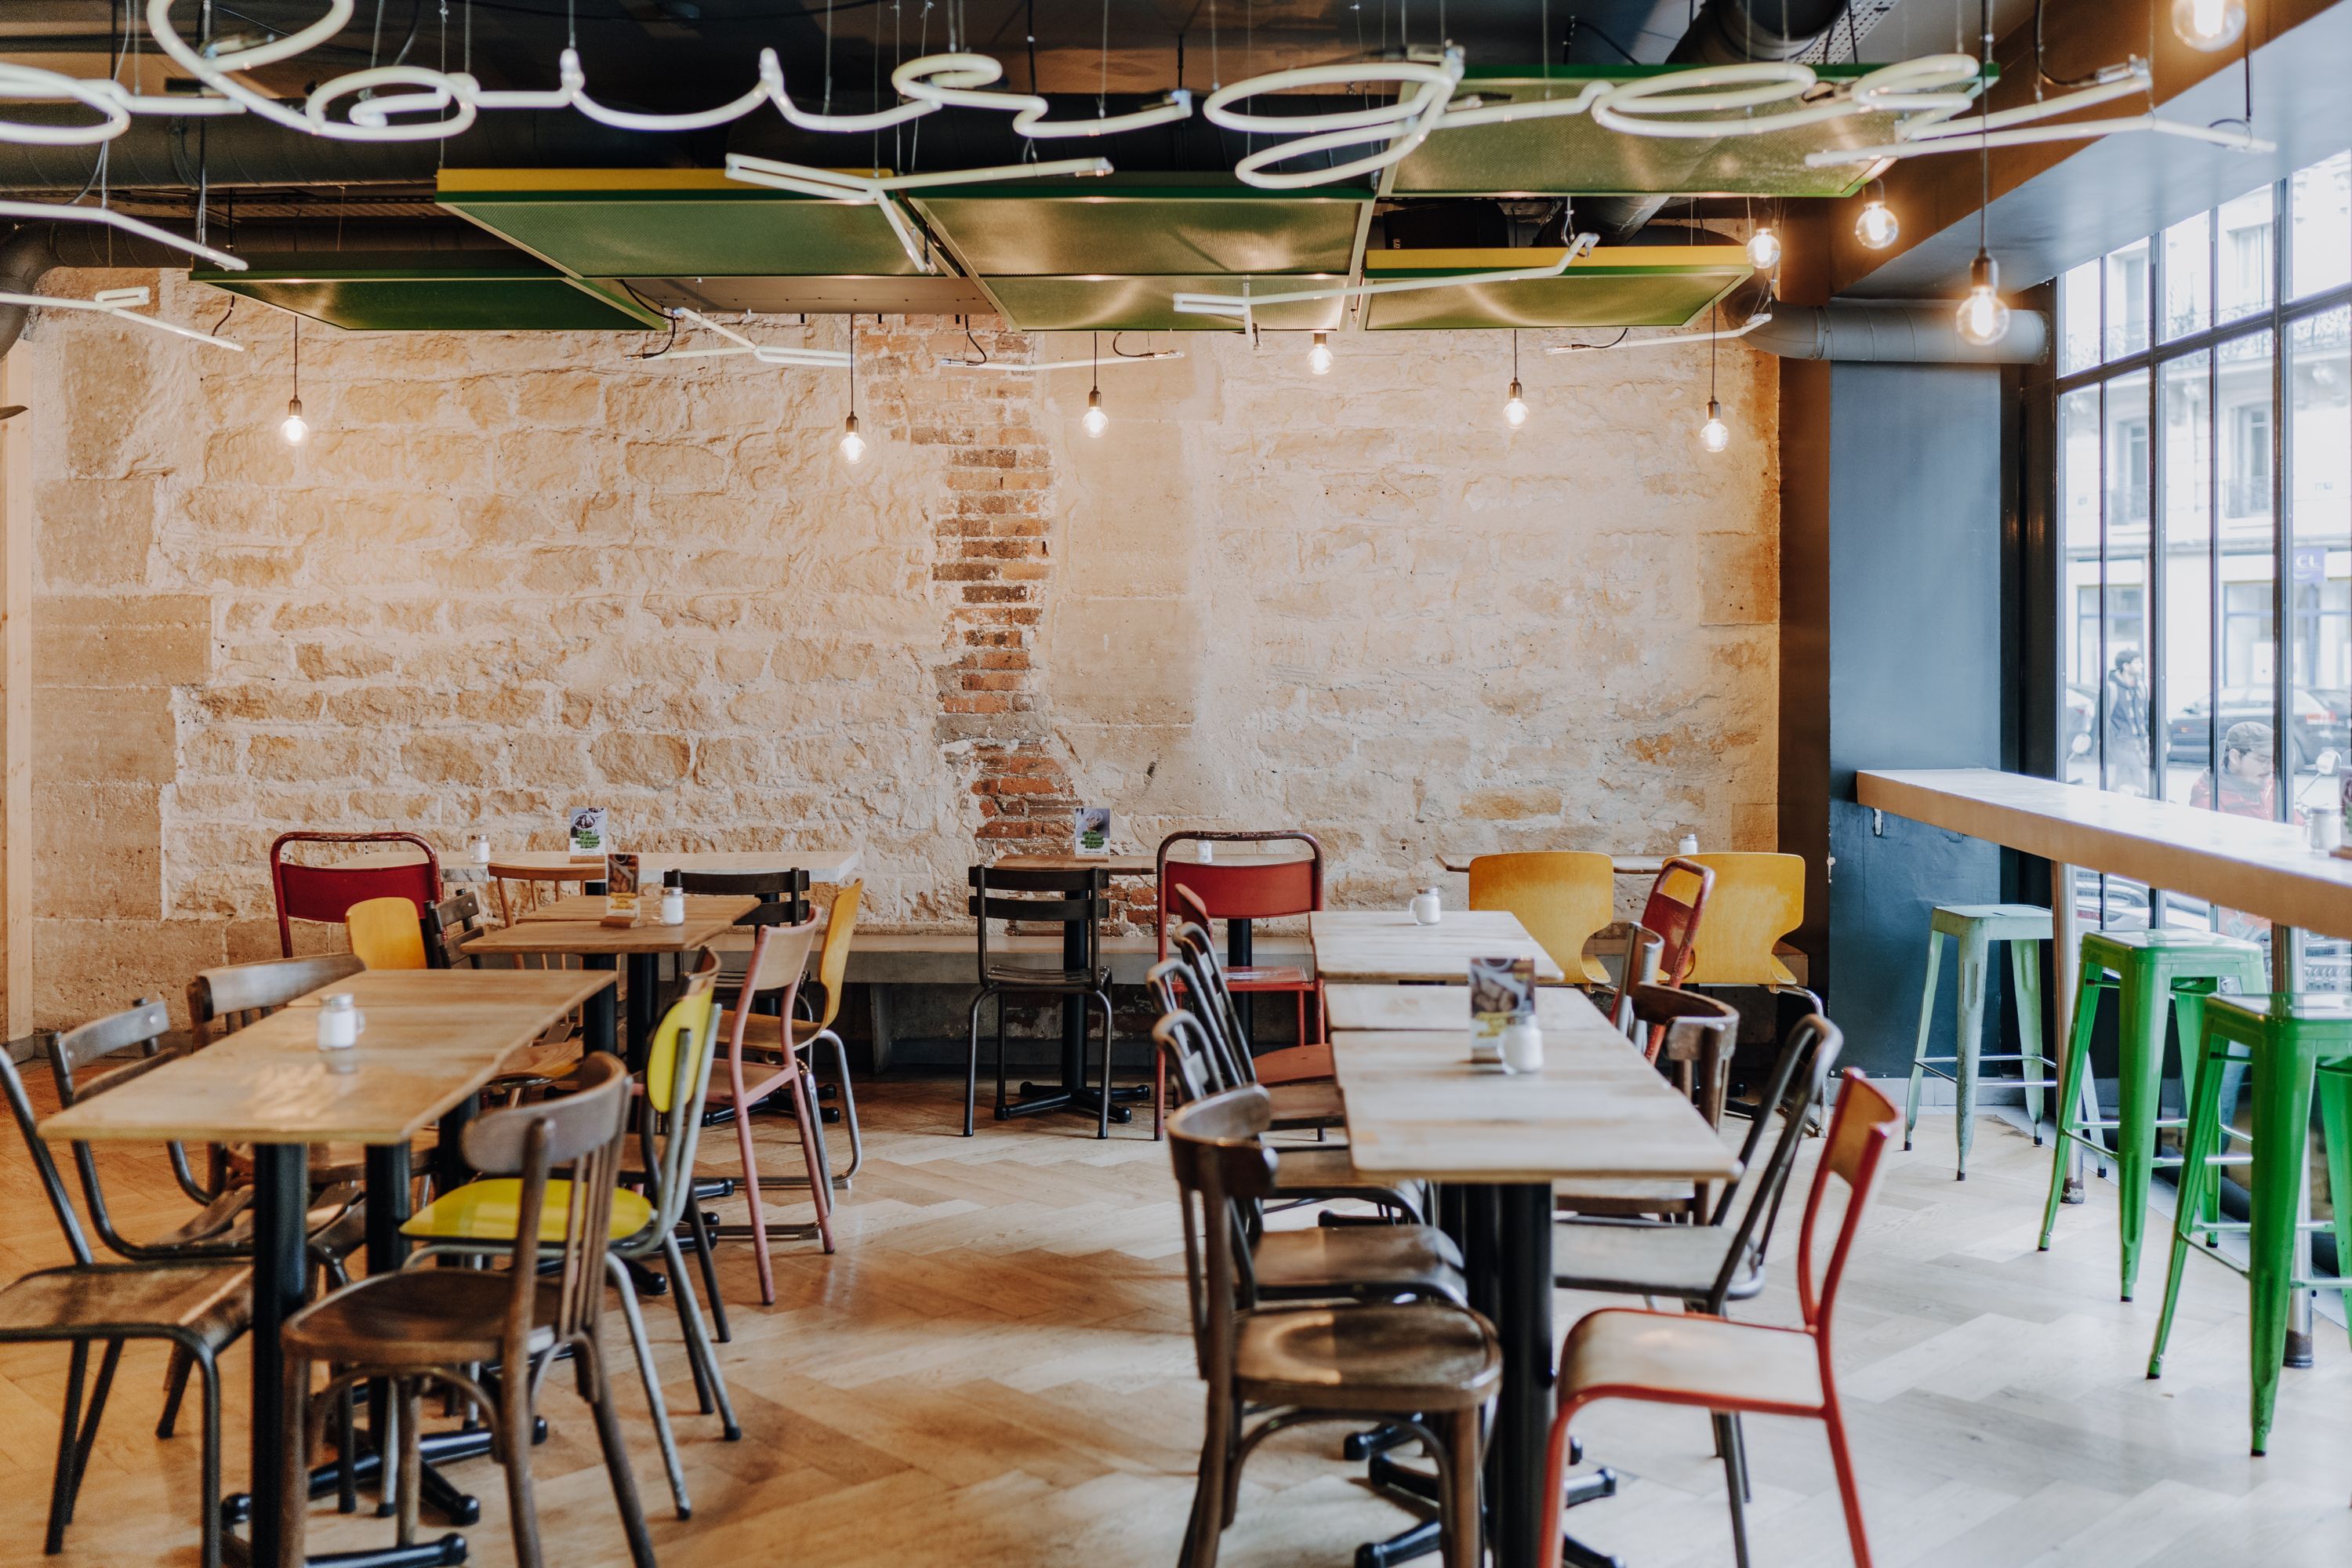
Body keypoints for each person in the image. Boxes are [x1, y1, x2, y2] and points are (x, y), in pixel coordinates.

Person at [2103, 648, 2151, 795]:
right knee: (2138, 779)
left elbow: (2146, 715)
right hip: (2121, 742)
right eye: (2137, 662)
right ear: (2126, 666)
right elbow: (2102, 718)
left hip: (2138, 742)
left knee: (2122, 780)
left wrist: (2148, 738)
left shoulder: (2141, 687)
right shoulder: (2112, 688)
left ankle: (2108, 800)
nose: (2142, 665)